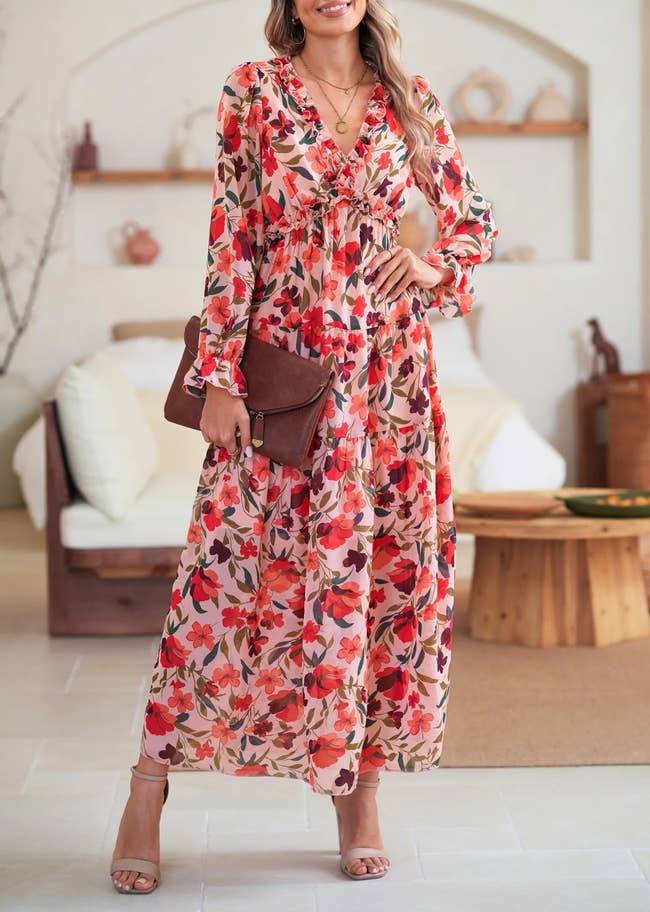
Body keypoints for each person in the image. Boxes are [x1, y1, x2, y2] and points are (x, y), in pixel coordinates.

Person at [110, 0, 498, 893]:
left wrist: (435, 263)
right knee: (223, 579)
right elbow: (233, 234)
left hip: (390, 376)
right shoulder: (253, 91)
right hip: (285, 366)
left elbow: (472, 218)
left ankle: (359, 796)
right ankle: (148, 783)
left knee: (380, 579)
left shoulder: (410, 99)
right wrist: (218, 375)